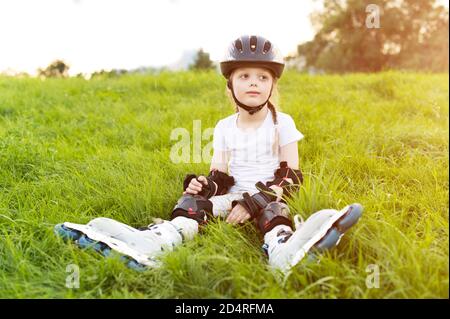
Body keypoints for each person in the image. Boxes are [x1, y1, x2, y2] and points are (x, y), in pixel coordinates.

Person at [55, 35, 362, 274]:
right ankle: (155, 243)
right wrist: (203, 185)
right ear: (230, 85)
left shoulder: (283, 122)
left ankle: (282, 250)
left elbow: (291, 177)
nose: (253, 81)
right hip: (235, 195)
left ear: (272, 85)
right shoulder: (224, 126)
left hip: (270, 194)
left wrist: (256, 201)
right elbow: (221, 176)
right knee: (192, 204)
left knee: (274, 212)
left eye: (262, 77)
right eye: (244, 76)